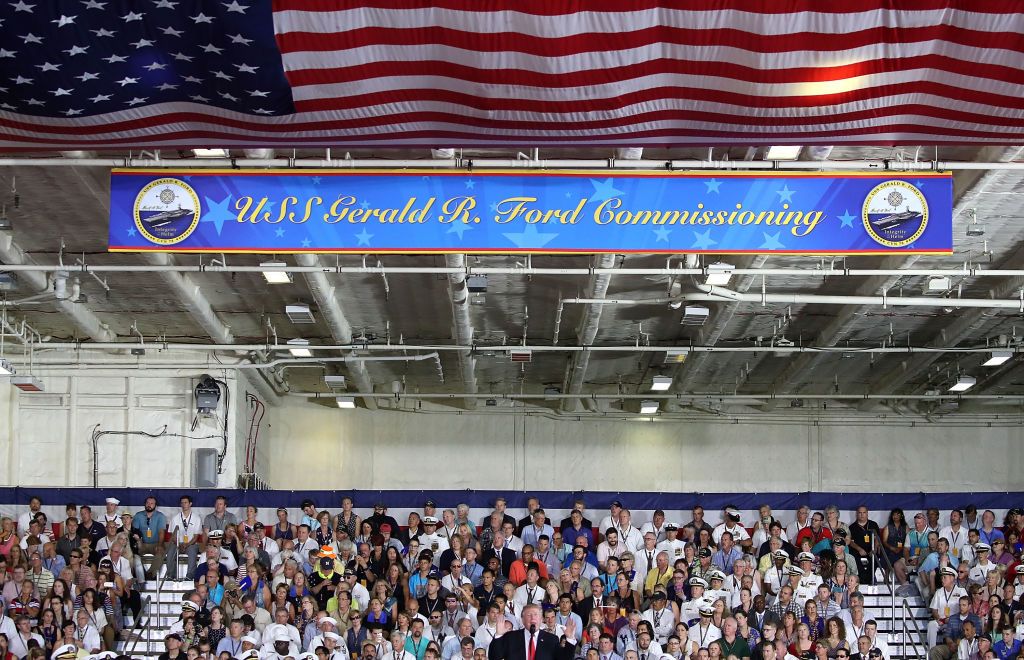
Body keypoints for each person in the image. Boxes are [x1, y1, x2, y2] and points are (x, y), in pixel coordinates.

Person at [487, 603, 576, 660]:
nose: (533, 618)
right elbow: (494, 657)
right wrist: (498, 635)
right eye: (529, 615)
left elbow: (565, 658)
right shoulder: (511, 637)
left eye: (536, 615)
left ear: (541, 619)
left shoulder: (552, 639)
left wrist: (570, 639)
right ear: (522, 620)